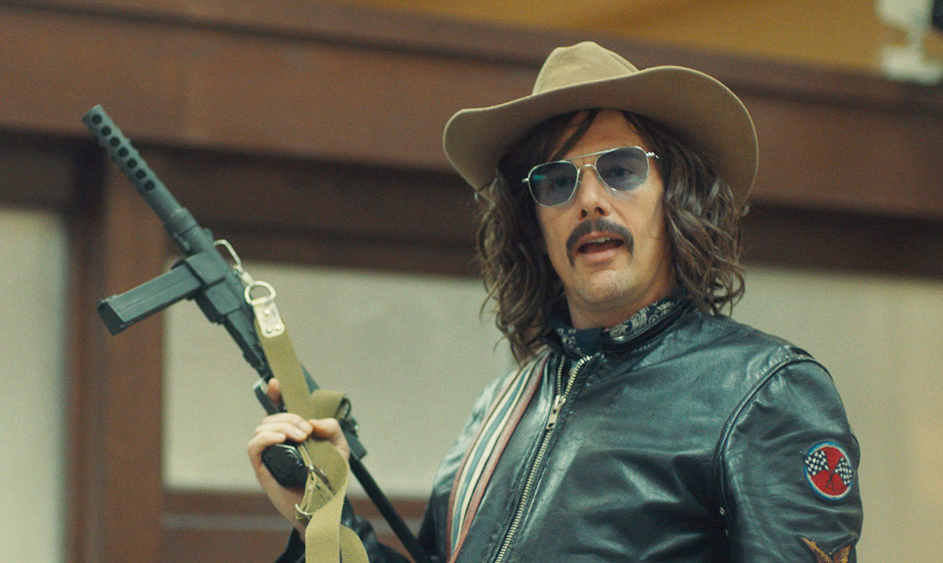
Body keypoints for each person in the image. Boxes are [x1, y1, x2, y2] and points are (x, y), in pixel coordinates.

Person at [248, 41, 863, 562]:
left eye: (621, 169)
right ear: (533, 225)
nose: (589, 199)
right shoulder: (498, 409)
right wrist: (319, 517)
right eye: (557, 180)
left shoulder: (765, 393)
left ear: (676, 197)